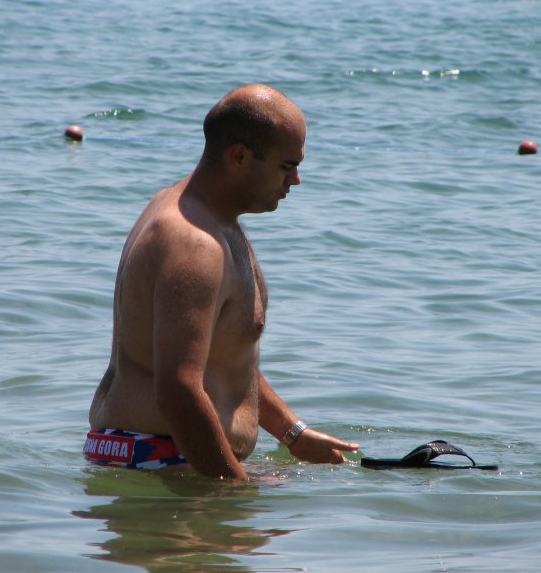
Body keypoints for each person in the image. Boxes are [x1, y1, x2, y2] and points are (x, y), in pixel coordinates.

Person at [86, 84, 359, 478]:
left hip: (161, 453)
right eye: (286, 166)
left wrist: (292, 433)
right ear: (239, 156)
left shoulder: (200, 215)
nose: (296, 179)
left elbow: (224, 357)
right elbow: (178, 391)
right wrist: (232, 488)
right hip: (164, 459)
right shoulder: (194, 244)